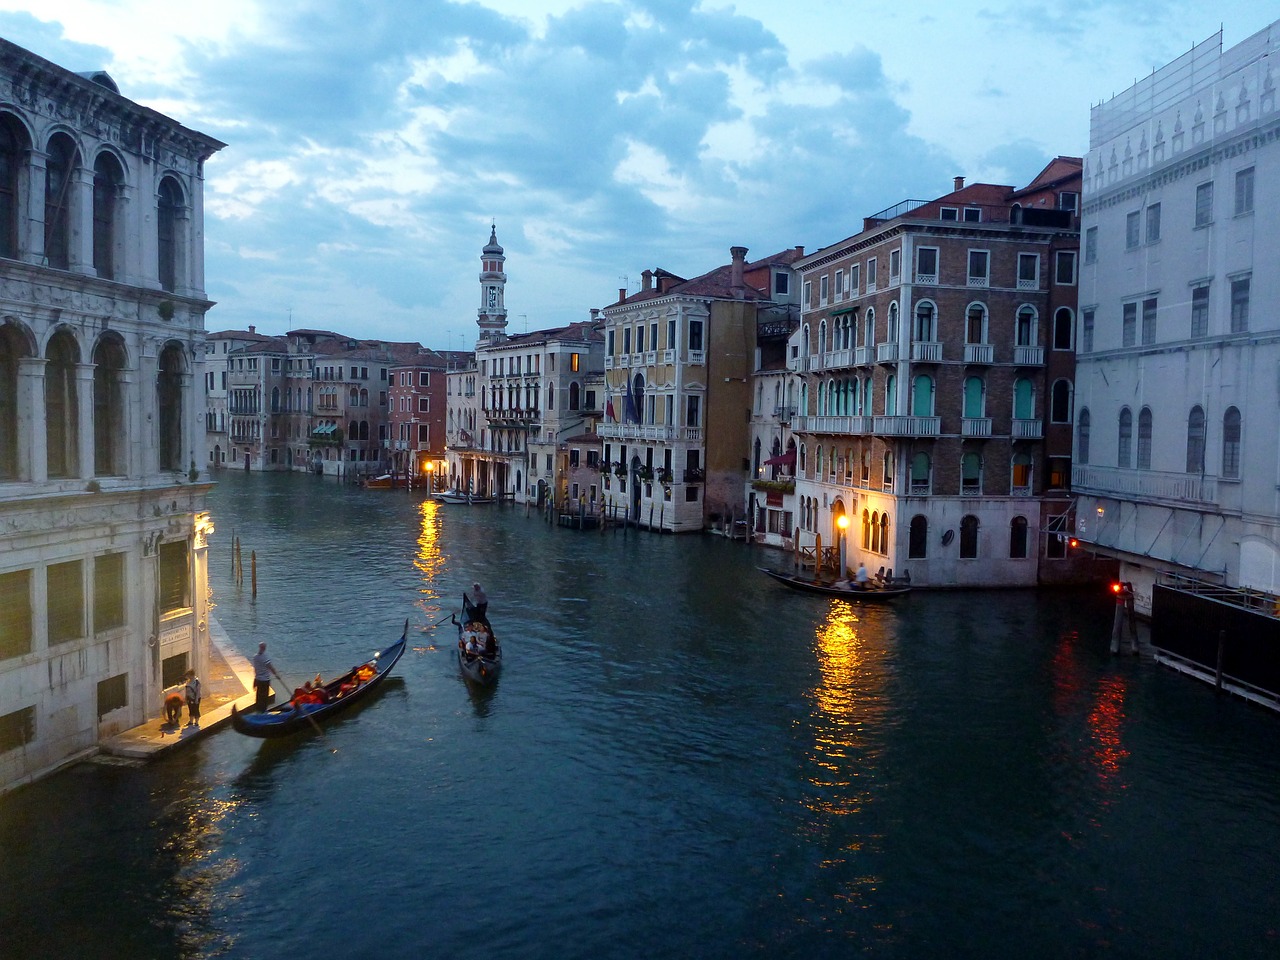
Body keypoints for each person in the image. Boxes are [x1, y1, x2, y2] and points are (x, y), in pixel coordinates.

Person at [251, 642, 283, 712]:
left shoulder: (255, 657)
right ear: (264, 648)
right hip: (265, 680)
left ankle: (258, 710)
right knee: (264, 696)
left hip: (257, 679)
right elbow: (271, 667)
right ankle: (263, 710)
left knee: (259, 696)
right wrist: (277, 675)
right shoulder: (265, 657)